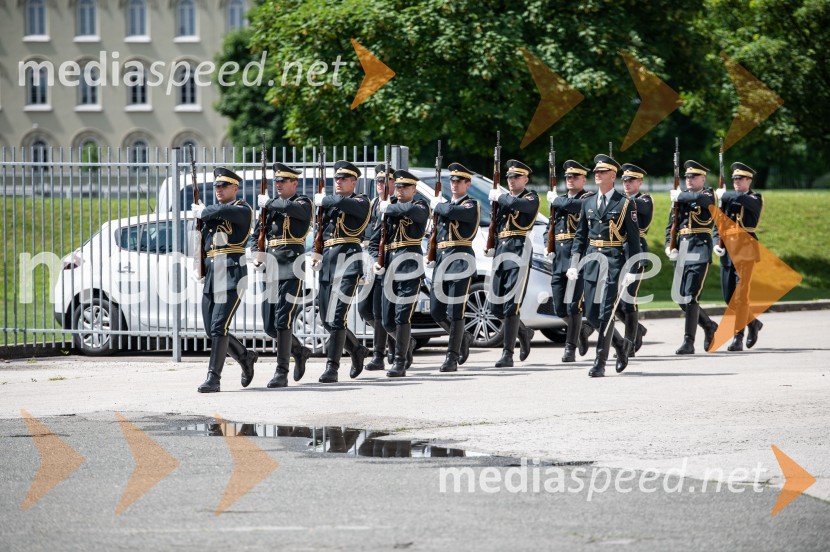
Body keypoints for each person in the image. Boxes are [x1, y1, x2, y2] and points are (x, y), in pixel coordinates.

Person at [570, 154, 641, 377]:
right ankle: (621, 345)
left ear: (613, 175)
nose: (597, 175)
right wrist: (574, 262)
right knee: (591, 314)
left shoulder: (625, 203)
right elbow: (580, 236)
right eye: (596, 172)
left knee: (606, 313)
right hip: (592, 261)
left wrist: (631, 268)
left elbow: (633, 240)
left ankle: (599, 362)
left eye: (602, 172)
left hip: (613, 262)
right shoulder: (588, 202)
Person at [192, 167, 258, 393]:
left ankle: (214, 378)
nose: (219, 189)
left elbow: (220, 213)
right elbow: (201, 240)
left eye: (224, 186)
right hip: (213, 274)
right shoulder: (211, 213)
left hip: (231, 275)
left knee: (219, 327)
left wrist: (203, 212)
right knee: (212, 330)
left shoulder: (242, 209)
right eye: (216, 186)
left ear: (235, 188)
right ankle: (245, 356)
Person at [251, 162, 314, 388]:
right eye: (276, 181)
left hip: (291, 264)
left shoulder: (302, 202)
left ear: (294, 183)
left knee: (282, 320)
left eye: (283, 181)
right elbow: (256, 233)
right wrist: (255, 253)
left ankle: (281, 371)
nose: (278, 185)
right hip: (271, 266)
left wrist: (269, 203)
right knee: (269, 325)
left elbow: (295, 211)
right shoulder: (269, 207)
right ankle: (300, 351)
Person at [314, 160, 371, 383]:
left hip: (348, 262)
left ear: (354, 182)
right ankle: (357, 349)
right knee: (327, 320)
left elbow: (343, 204)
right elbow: (321, 230)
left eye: (343, 179)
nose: (338, 182)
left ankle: (332, 367)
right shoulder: (330, 205)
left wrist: (325, 199)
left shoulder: (361, 201)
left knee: (337, 319)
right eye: (336, 179)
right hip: (328, 263)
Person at [374, 169, 430, 377]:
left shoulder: (419, 206)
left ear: (414, 189)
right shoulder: (388, 208)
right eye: (397, 186)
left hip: (409, 268)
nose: (400, 190)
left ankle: (399, 361)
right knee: (387, 321)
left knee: (401, 317)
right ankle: (408, 343)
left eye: (405, 187)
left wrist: (389, 208)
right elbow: (377, 238)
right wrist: (375, 260)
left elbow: (415, 214)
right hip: (389, 267)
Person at [486, 159, 539, 368]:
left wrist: (500, 196)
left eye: (516, 176)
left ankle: (507, 353)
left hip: (519, 251)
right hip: (501, 252)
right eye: (508, 176)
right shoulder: (503, 200)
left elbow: (519, 206)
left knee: (511, 305)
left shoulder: (530, 197)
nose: (511, 180)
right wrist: (492, 243)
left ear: (525, 179)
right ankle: (524, 332)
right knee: (495, 307)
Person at [428, 162, 478, 372]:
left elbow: (452, 211)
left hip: (460, 261)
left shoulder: (470, 204)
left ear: (468, 184)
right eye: (452, 180)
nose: (455, 184)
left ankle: (452, 356)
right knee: (436, 311)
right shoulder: (445, 205)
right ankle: (462, 337)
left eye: (459, 181)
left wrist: (437, 205)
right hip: (442, 261)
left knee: (456, 311)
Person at [665, 160, 719, 355]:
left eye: (693, 176)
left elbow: (705, 202)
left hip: (699, 247)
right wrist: (668, 245)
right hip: (683, 247)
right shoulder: (680, 198)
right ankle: (709, 325)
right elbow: (671, 223)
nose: (689, 179)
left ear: (703, 178)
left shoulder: (708, 194)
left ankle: (689, 341)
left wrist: (680, 196)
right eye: (687, 176)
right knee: (680, 297)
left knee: (690, 296)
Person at [544, 160, 595, 362]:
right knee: (559, 308)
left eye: (575, 177)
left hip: (578, 257)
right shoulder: (560, 200)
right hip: (559, 258)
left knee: (574, 306)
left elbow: (579, 206)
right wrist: (548, 245)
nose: (570, 180)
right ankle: (580, 329)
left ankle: (570, 347)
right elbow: (551, 226)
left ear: (583, 179)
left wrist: (556, 201)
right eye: (567, 177)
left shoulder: (588, 198)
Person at [714, 162, 764, 351]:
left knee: (741, 297)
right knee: (729, 298)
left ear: (749, 180)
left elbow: (743, 200)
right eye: (734, 178)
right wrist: (715, 241)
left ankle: (738, 337)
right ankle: (753, 323)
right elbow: (717, 222)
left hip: (746, 250)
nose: (736, 181)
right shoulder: (727, 199)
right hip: (728, 251)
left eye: (740, 178)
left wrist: (723, 194)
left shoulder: (755, 198)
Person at [361, 164, 396, 371]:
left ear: (393, 183)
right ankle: (394, 342)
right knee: (365, 309)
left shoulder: (395, 204)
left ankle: (379, 355)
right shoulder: (372, 203)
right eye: (378, 181)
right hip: (369, 259)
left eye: (385, 181)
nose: (381, 185)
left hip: (389, 260)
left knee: (380, 312)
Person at [615, 163, 652, 356]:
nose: (627, 183)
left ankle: (629, 343)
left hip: (635, 252)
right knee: (615, 303)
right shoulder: (619, 199)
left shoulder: (644, 200)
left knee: (628, 301)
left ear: (640, 182)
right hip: (617, 253)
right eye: (624, 180)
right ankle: (638, 329)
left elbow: (631, 206)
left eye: (631, 180)